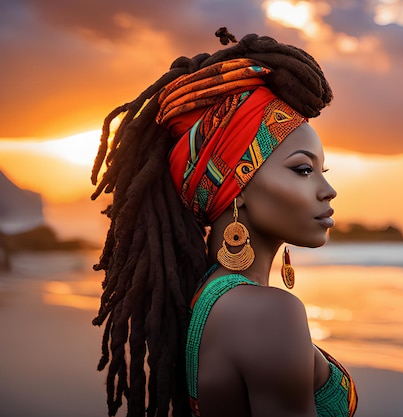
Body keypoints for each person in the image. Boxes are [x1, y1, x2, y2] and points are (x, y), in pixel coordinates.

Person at [90, 28, 358, 417]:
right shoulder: (267, 313)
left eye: (322, 170)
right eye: (302, 170)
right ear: (238, 186)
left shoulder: (212, 295)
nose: (328, 189)